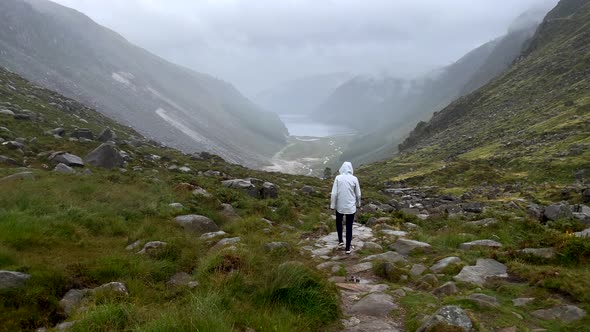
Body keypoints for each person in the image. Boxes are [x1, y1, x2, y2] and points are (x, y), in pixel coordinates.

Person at [330, 162, 361, 254]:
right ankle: (347, 248)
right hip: (351, 206)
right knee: (349, 226)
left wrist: (332, 205)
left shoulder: (338, 178)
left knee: (339, 222)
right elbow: (358, 194)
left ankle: (340, 241)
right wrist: (358, 204)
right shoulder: (354, 179)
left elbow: (334, 193)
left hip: (340, 206)